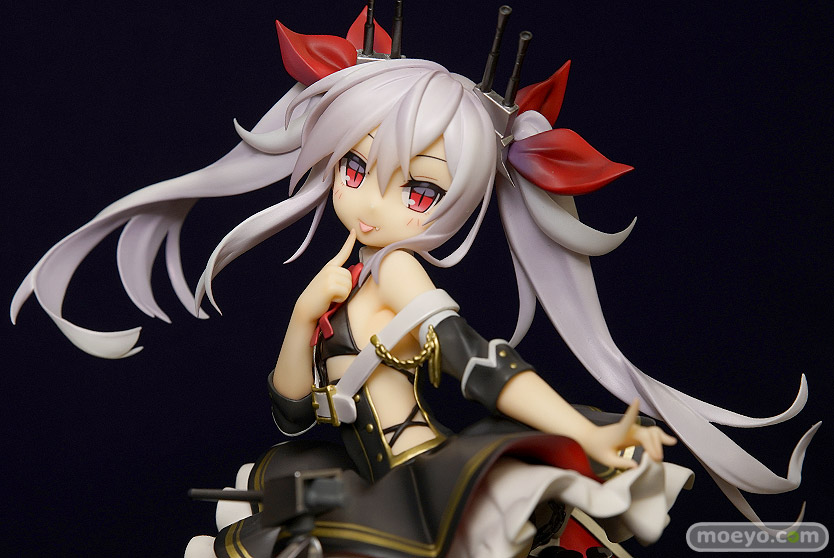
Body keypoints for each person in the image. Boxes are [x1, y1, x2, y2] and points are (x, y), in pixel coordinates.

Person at [11, 8, 817, 558]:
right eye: (355, 168)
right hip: (356, 479)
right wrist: (301, 318)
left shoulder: (398, 268)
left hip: (418, 481)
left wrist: (586, 431)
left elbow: (481, 364)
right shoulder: (348, 274)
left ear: (456, 199)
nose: (371, 201)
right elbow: (292, 416)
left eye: (419, 189)